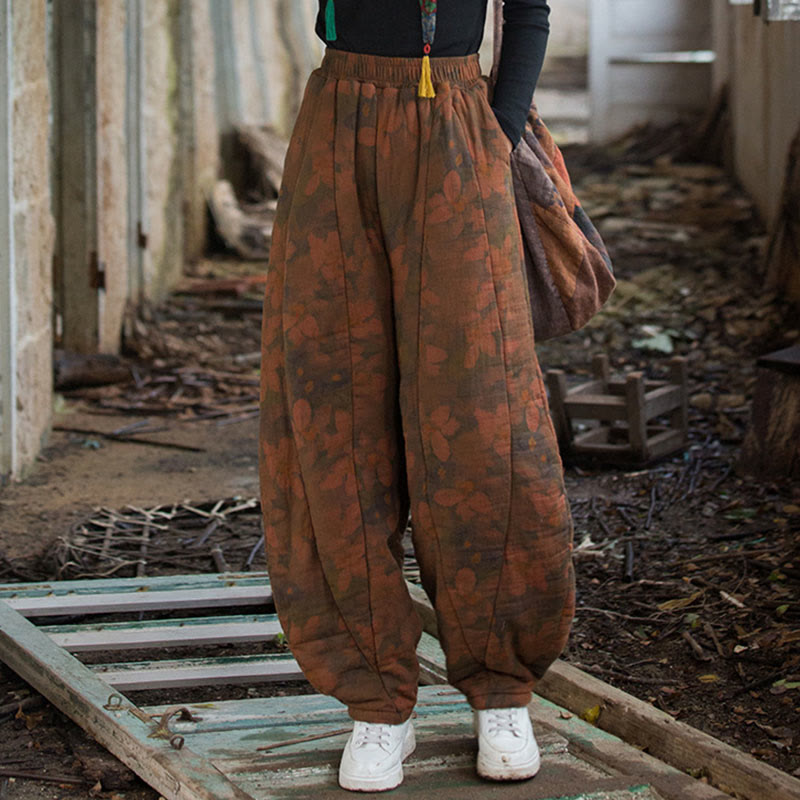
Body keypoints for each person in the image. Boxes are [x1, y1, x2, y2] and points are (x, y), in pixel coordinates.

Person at [259, 0, 575, 791]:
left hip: (461, 129)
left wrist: (498, 131)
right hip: (338, 124)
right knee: (333, 407)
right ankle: (376, 703)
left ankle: (500, 690)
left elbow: (527, 11)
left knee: (481, 415)